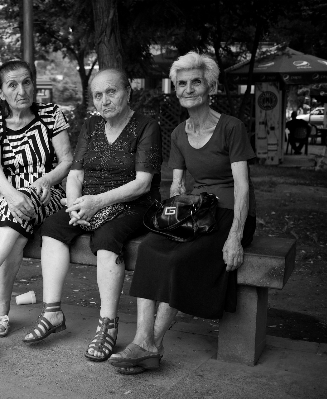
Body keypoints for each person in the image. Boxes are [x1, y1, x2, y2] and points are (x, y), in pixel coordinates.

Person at [108, 51, 256, 375]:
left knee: (180, 259)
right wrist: (173, 219)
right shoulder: (178, 133)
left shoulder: (231, 128)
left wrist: (235, 238)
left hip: (231, 214)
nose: (188, 89)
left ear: (211, 87)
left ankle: (151, 345)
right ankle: (142, 340)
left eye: (196, 82)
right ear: (175, 89)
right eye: (182, 83)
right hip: (196, 212)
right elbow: (176, 185)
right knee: (150, 249)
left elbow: (243, 187)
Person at [23, 68, 163, 363]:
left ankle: (107, 325)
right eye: (98, 95)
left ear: (128, 92)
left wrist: (96, 202)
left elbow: (143, 183)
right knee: (53, 227)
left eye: (111, 92)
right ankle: (52, 313)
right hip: (89, 202)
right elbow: (75, 174)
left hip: (133, 204)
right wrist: (75, 207)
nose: (104, 100)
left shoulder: (146, 126)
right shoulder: (91, 126)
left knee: (107, 236)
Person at [0, 60, 73, 337]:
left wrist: (46, 180)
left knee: (17, 213)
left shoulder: (50, 114)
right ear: (1, 92)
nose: (21, 90)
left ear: (33, 84)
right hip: (6, 192)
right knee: (15, 229)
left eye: (26, 82)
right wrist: (11, 195)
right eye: (12, 85)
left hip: (47, 191)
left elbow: (67, 160)